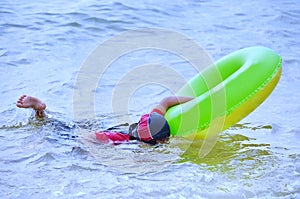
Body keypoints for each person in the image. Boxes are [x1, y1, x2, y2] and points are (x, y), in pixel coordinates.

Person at [16, 94, 194, 145]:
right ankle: (40, 111)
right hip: (98, 134)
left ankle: (39, 110)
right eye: (164, 139)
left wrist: (197, 102)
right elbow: (90, 137)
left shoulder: (150, 119)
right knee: (61, 135)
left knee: (63, 127)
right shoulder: (125, 139)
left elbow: (167, 100)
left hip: (110, 126)